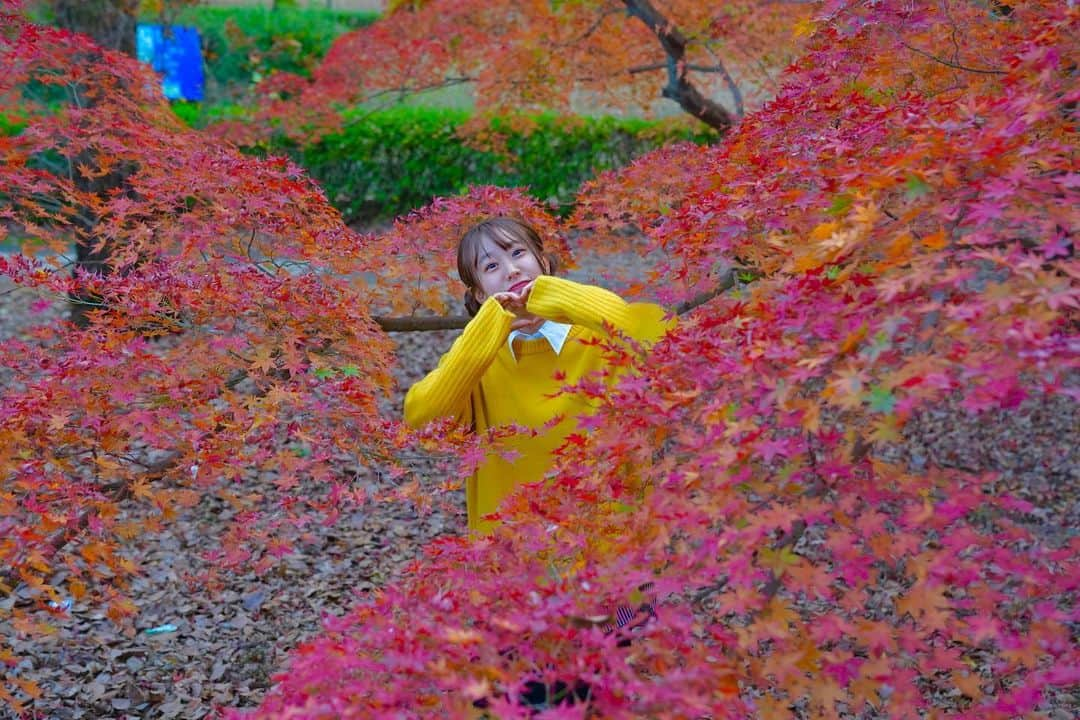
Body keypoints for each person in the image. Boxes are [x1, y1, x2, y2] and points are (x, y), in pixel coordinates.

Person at [404, 216, 673, 534]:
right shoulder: (473, 363)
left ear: (543, 262)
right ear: (479, 294)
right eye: (491, 267)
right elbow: (423, 421)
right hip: (515, 562)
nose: (511, 270)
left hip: (618, 556)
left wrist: (562, 298)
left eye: (518, 253)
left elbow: (665, 342)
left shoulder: (602, 337)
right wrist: (483, 334)